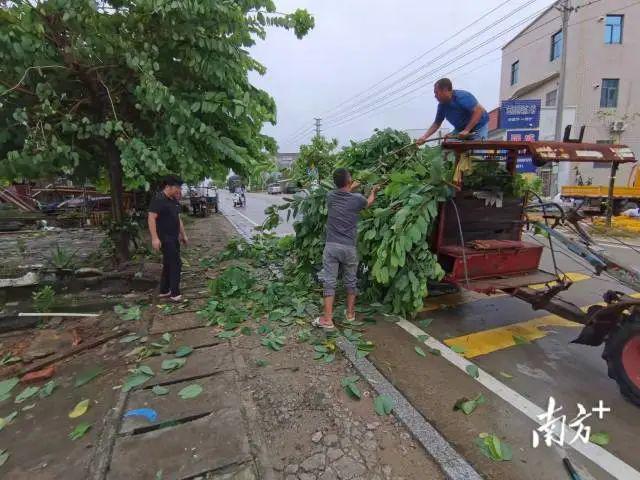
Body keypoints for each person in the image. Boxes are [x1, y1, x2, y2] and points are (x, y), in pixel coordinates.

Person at [313, 168, 380, 330]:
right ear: (349, 181)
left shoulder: (330, 196)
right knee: (351, 281)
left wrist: (351, 186)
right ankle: (350, 314)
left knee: (329, 282)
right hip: (349, 248)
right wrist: (373, 191)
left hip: (332, 248)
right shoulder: (357, 199)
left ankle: (327, 320)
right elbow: (369, 202)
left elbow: (344, 193)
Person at [148, 175, 188, 301]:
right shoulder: (158, 199)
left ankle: (164, 290)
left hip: (174, 237)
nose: (178, 191)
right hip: (164, 238)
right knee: (176, 263)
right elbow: (151, 218)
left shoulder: (173, 200)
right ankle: (175, 293)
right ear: (168, 187)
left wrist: (183, 235)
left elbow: (178, 218)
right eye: (177, 188)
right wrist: (154, 238)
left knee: (168, 263)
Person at [416, 78, 489, 145]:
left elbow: (479, 110)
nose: (435, 96)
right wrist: (424, 137)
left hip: (478, 126)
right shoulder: (442, 106)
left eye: (436, 92)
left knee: (477, 149)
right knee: (447, 142)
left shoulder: (462, 97)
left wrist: (467, 130)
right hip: (461, 129)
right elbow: (436, 124)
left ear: (445, 90)